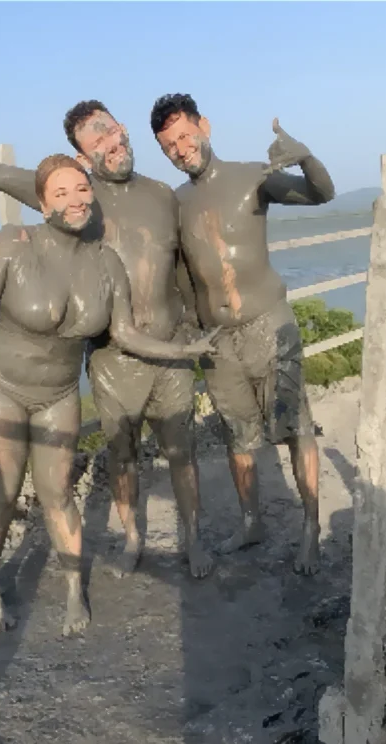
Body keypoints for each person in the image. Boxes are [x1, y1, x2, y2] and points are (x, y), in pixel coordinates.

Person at [0, 106, 215, 580]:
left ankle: (194, 538)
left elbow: (183, 266)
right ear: (81, 157)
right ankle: (133, 539)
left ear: (123, 129)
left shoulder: (161, 195)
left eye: (111, 131)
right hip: (113, 356)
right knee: (123, 456)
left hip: (169, 344)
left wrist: (194, 325)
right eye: (96, 143)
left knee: (182, 451)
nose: (110, 144)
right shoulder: (72, 194)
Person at [0, 154, 216, 635]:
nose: (75, 200)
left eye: (81, 189)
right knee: (5, 489)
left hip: (58, 391)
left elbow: (124, 333)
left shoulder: (105, 262)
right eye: (61, 192)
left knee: (58, 493)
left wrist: (185, 349)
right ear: (42, 202)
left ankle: (74, 590)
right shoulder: (15, 244)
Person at [149, 93, 336, 576]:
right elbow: (180, 273)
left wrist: (306, 156)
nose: (180, 148)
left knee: (296, 427)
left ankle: (311, 527)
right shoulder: (176, 202)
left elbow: (322, 194)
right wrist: (191, 330)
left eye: (185, 136)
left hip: (269, 324)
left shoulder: (254, 177)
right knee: (238, 436)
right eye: (169, 145)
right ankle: (251, 521)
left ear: (204, 126)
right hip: (217, 339)